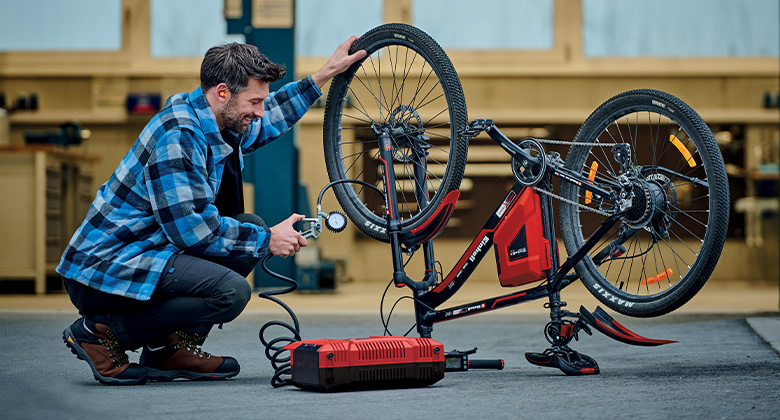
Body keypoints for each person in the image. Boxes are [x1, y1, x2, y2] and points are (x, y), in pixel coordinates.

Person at [58, 37, 366, 385]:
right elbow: (194, 231)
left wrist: (326, 73)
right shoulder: (179, 136)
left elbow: (272, 117)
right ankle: (99, 334)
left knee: (247, 225)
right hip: (106, 268)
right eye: (254, 102)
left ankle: (166, 350)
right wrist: (268, 240)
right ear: (223, 93)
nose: (260, 111)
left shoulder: (218, 122)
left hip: (150, 251)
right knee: (231, 291)